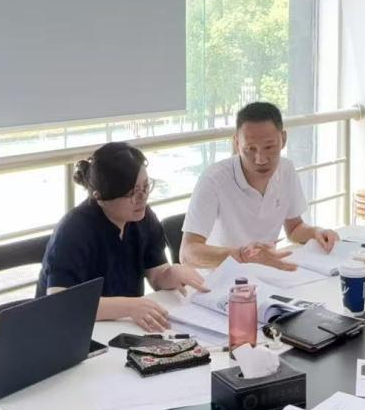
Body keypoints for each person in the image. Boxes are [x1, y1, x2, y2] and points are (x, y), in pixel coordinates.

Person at [38, 142, 207, 333]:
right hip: (71, 331)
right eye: (132, 193)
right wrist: (128, 307)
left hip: (121, 327)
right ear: (100, 197)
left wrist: (172, 273)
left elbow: (157, 274)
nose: (142, 198)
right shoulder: (73, 230)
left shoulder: (143, 217)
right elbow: (60, 304)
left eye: (145, 187)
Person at [180, 102, 338, 272]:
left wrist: (316, 233)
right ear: (236, 143)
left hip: (265, 273)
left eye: (269, 147)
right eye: (250, 149)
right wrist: (242, 255)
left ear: (283, 139)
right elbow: (187, 253)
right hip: (221, 278)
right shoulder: (214, 179)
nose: (260, 159)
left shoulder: (286, 169)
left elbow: (294, 228)